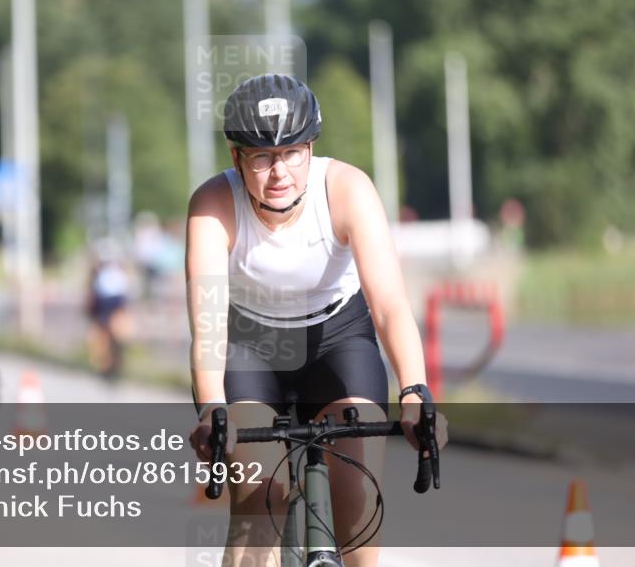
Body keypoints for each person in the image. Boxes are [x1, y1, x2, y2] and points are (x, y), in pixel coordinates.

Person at [186, 74, 448, 566]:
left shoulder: (348, 190)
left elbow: (389, 305)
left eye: (292, 153)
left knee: (357, 503)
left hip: (337, 339)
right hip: (251, 346)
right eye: (262, 157)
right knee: (259, 500)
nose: (279, 171)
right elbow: (208, 327)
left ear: (311, 148)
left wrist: (415, 391)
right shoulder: (212, 204)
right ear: (236, 157)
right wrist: (212, 409)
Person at [85, 238, 131, 380]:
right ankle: (105, 365)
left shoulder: (116, 272)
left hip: (115, 301)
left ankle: (115, 364)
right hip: (105, 301)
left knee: (116, 335)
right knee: (103, 336)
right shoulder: (98, 274)